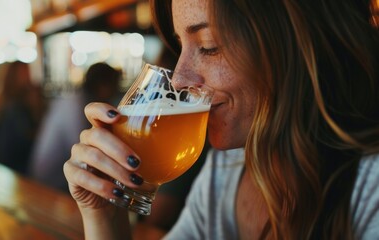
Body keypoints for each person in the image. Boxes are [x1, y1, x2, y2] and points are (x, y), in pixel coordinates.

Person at [63, 0, 379, 239]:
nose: (179, 79)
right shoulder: (225, 173)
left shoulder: (370, 189)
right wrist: (104, 217)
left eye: (208, 46)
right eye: (181, 46)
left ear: (294, 44)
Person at [29, 62, 121, 192]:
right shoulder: (76, 104)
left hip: (61, 177)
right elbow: (82, 148)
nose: (116, 91)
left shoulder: (78, 99)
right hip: (51, 182)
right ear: (103, 85)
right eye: (115, 86)